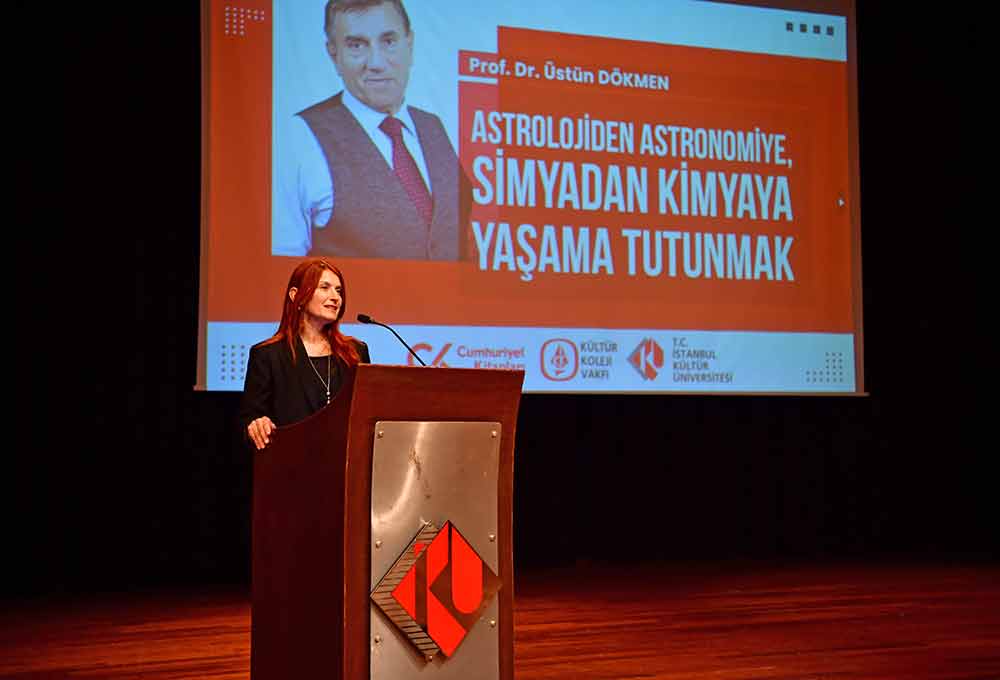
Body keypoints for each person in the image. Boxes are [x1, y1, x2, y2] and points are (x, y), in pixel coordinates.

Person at [273, 0, 465, 260]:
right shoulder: (299, 137)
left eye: (389, 41)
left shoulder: (437, 127)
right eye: (357, 45)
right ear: (334, 55)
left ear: (409, 45)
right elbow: (282, 266)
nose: (376, 63)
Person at [239, 258, 370, 450]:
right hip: (291, 458)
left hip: (345, 459)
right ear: (296, 295)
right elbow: (250, 419)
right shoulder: (268, 355)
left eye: (338, 290)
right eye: (324, 287)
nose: (335, 297)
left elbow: (367, 413)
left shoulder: (356, 351)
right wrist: (258, 424)